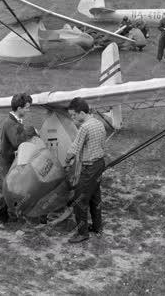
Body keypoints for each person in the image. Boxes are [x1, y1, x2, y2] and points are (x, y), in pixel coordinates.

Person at [0, 93, 37, 223]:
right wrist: (31, 131)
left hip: (10, 160)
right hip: (8, 162)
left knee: (10, 189)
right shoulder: (11, 123)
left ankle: (4, 216)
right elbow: (17, 141)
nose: (28, 110)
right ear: (19, 108)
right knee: (7, 190)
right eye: (27, 108)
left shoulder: (14, 121)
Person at [65, 97, 107, 243]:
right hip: (100, 164)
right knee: (95, 197)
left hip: (89, 167)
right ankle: (97, 226)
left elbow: (75, 147)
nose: (73, 118)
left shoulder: (84, 127)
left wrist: (66, 160)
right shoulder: (99, 123)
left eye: (74, 115)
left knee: (79, 200)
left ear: (82, 113)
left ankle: (82, 233)